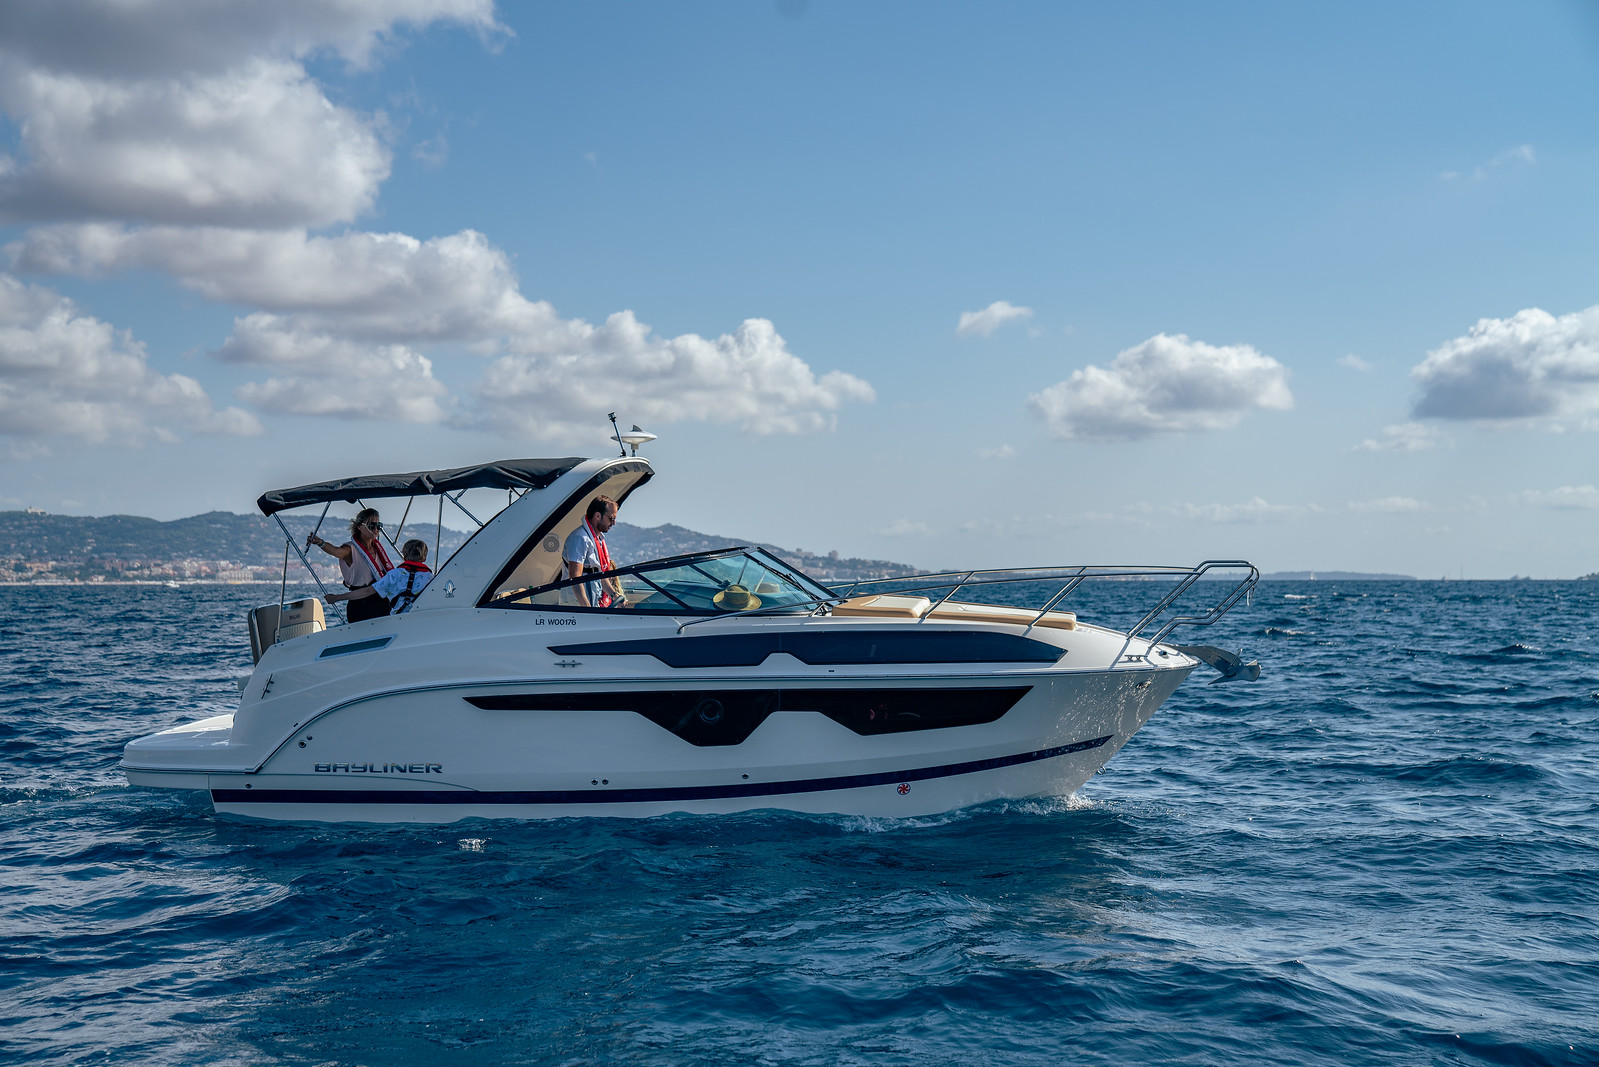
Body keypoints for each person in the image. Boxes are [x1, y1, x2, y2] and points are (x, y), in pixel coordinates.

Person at [307, 507, 395, 622]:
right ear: (359, 527)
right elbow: (335, 551)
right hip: (361, 605)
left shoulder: (379, 549)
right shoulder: (350, 549)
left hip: (381, 602)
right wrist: (320, 542)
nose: (376, 529)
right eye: (371, 525)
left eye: (379, 526)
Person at [332, 539, 432, 615]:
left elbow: (367, 591)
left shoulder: (394, 574)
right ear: (424, 558)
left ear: (404, 556)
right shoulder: (430, 578)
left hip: (399, 620)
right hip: (422, 617)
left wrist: (337, 597)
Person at [562, 495, 625, 608]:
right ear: (597, 516)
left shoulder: (598, 539)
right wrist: (586, 607)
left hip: (593, 597)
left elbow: (599, 573)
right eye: (611, 518)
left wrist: (614, 595)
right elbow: (575, 577)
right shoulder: (580, 538)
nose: (613, 523)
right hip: (577, 605)